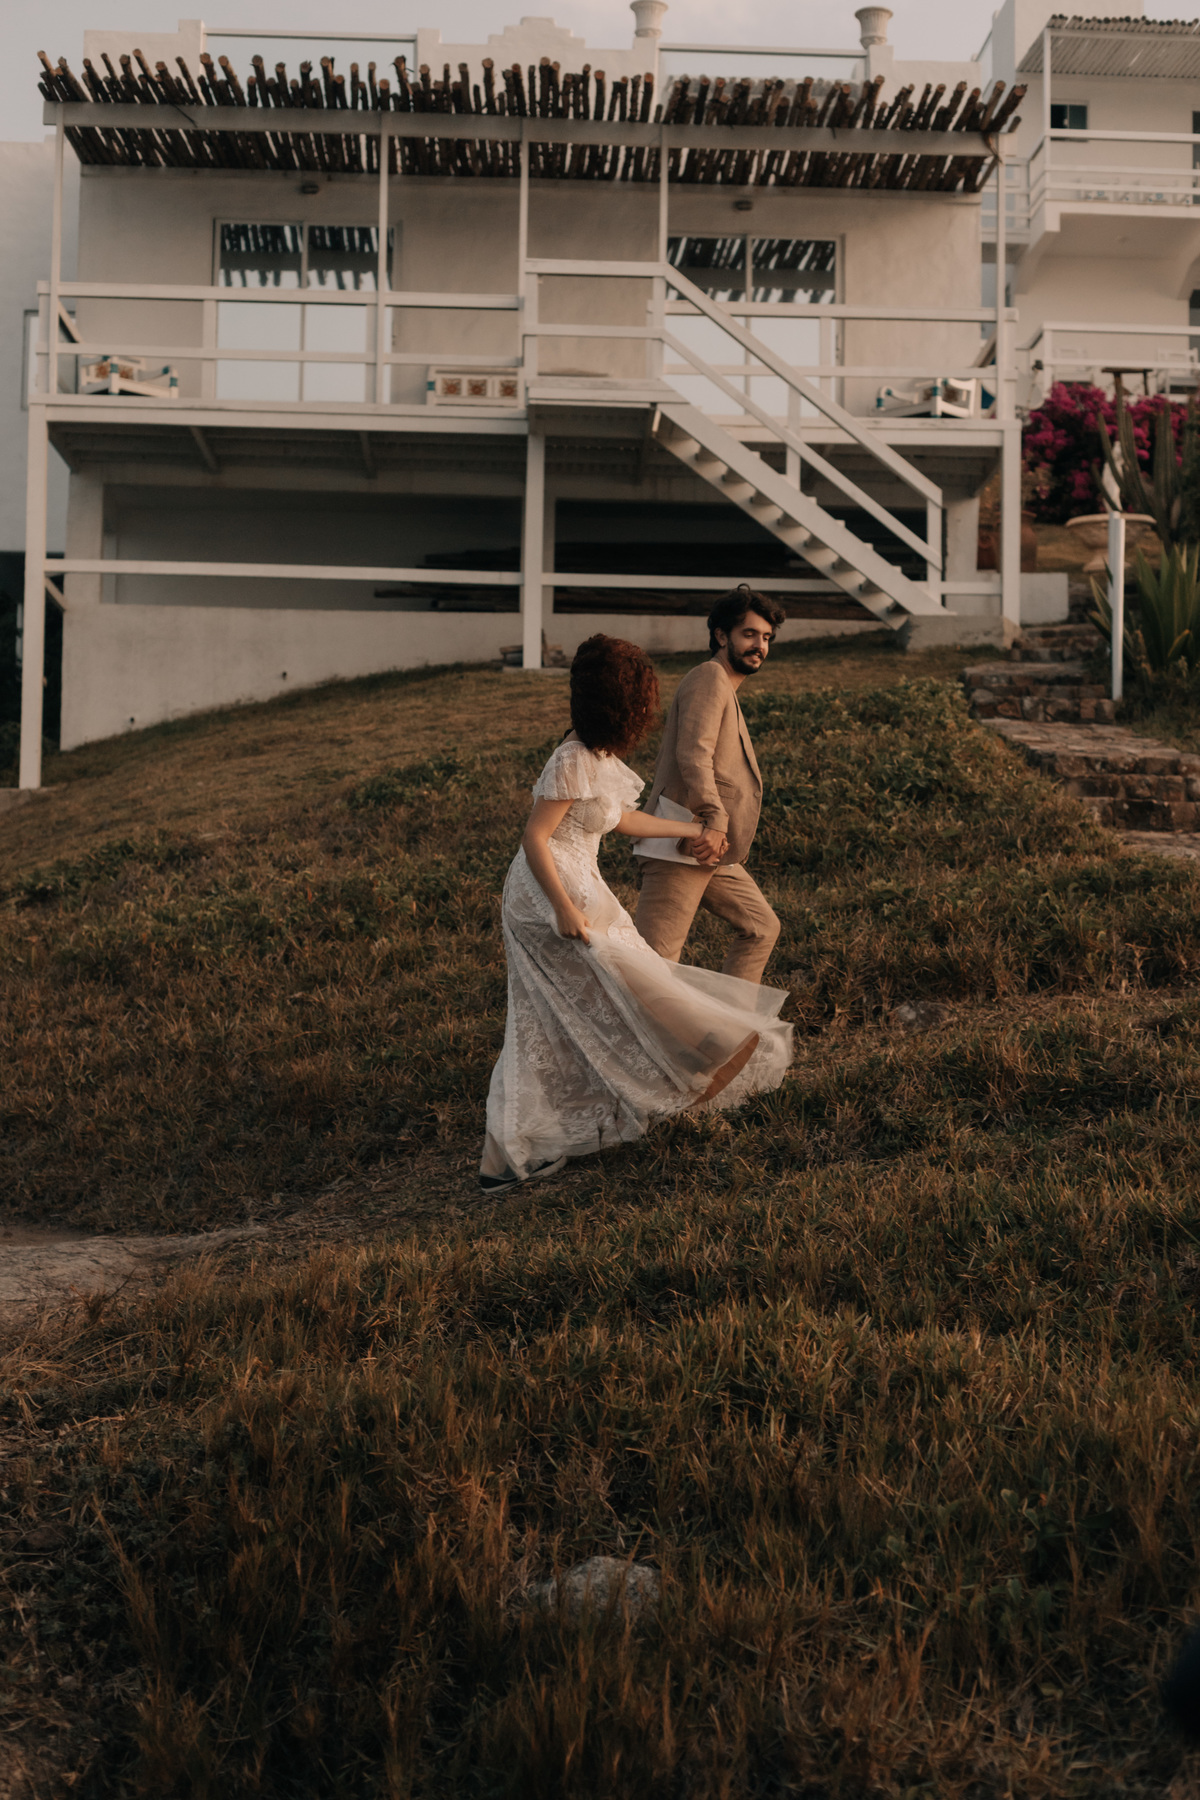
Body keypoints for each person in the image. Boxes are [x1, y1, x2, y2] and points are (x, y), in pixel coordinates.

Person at [480, 634, 792, 1195]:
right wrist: (562, 911)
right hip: (545, 896)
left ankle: (698, 1058)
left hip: (583, 882)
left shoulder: (598, 755)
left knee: (605, 994)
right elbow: (535, 838)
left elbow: (620, 819)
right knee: (567, 1007)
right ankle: (505, 1156)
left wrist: (691, 830)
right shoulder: (571, 757)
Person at [635, 584, 787, 985]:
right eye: (749, 634)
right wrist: (715, 817)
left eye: (767, 637)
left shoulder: (724, 685)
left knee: (761, 927)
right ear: (722, 636)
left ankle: (727, 1037)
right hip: (682, 841)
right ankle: (621, 1045)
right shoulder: (709, 677)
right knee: (655, 969)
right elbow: (694, 755)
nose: (760, 646)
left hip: (710, 846)